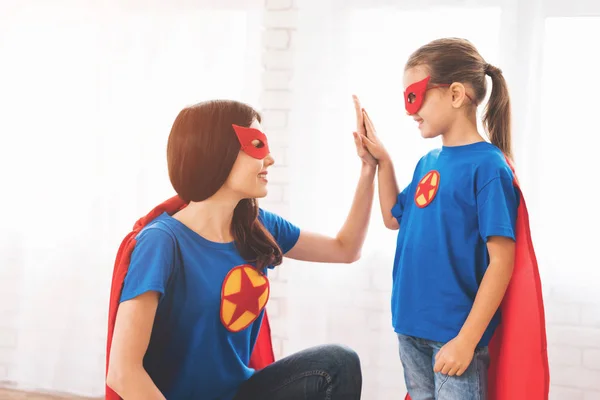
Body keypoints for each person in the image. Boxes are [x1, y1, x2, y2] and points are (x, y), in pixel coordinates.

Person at [105, 98, 375, 400]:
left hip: (240, 392)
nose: (270, 159)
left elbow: (345, 249)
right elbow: (122, 371)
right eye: (257, 145)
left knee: (337, 362)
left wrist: (368, 168)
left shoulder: (256, 225)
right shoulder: (162, 242)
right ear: (216, 152)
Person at [354, 38, 548, 400]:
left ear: (456, 94)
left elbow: (502, 262)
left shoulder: (488, 167)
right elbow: (393, 218)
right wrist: (383, 161)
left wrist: (466, 340)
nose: (410, 111)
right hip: (410, 328)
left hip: (454, 335)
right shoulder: (428, 162)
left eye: (414, 96)